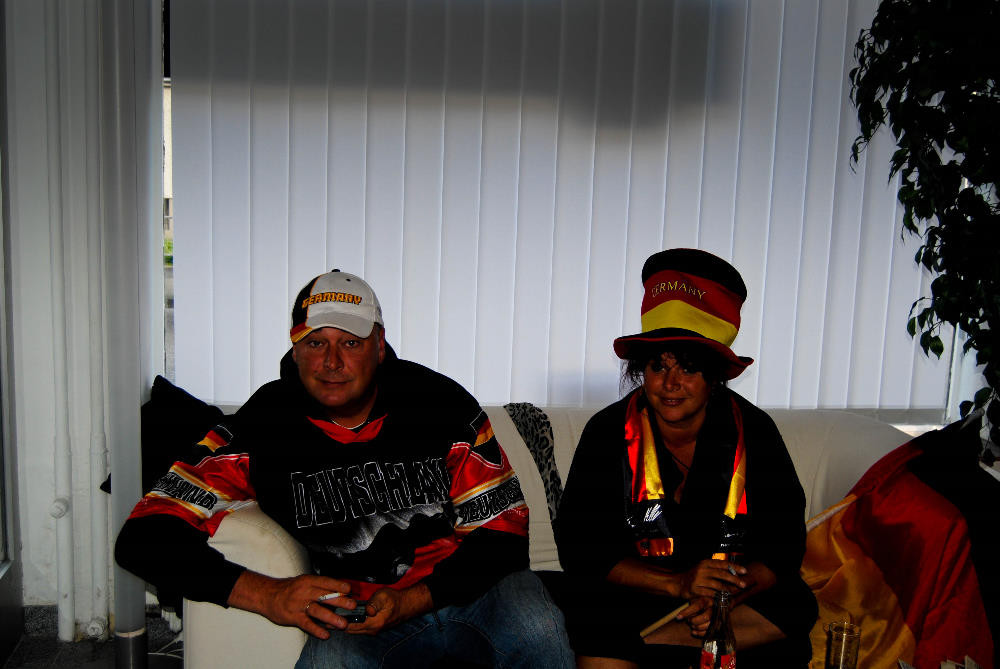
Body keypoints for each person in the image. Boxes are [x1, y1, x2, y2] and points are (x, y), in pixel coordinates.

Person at [116, 269, 573, 669]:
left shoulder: (441, 405)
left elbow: (504, 537)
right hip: (359, 615)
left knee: (538, 625)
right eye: (316, 343)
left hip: (472, 594)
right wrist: (270, 594)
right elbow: (143, 538)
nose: (331, 362)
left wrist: (411, 601)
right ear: (295, 349)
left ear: (379, 346)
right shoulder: (262, 427)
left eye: (350, 343)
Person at [554, 249, 817, 668]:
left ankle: (662, 645)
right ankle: (691, 644)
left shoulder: (755, 430)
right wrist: (678, 584)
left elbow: (784, 545)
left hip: (726, 599)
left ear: (714, 378)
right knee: (591, 609)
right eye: (658, 367)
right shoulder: (607, 431)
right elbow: (582, 549)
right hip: (640, 594)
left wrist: (722, 597)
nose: (670, 383)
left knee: (796, 604)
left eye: (689, 369)